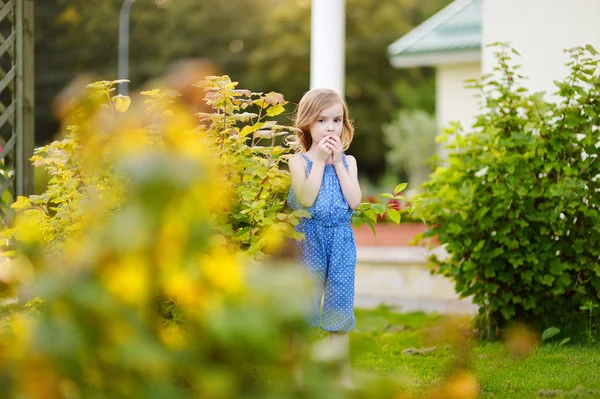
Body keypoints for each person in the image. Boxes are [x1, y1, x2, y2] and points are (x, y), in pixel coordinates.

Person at [286, 88, 362, 388]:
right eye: (321, 120)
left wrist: (338, 163)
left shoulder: (349, 162)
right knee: (304, 308)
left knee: (340, 306)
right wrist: (318, 161)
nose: (330, 127)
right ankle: (299, 377)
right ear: (307, 124)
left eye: (337, 120)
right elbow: (305, 198)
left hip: (341, 242)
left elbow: (354, 201)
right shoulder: (299, 162)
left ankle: (341, 378)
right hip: (308, 241)